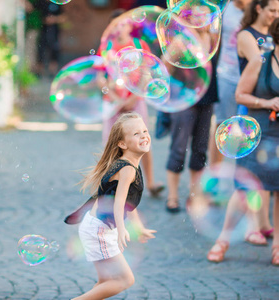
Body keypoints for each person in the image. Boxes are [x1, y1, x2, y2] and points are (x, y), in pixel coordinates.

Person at [207, 18, 279, 264]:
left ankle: (278, 246)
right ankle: (223, 240)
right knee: (243, 191)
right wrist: (267, 102)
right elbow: (241, 94)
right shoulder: (261, 61)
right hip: (257, 133)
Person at [65, 112, 156, 299]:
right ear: (122, 144)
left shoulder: (129, 164)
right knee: (125, 280)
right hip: (100, 230)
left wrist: (138, 227)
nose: (144, 136)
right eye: (136, 134)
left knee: (106, 283)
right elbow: (120, 202)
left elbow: (129, 204)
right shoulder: (127, 169)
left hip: (95, 226)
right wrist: (122, 229)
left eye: (144, 131)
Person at [101, 9, 165, 198]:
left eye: (122, 24)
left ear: (130, 25)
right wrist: (115, 97)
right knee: (110, 144)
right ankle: (112, 184)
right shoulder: (106, 47)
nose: (119, 29)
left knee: (142, 141)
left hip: (135, 101)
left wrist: (133, 97)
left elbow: (147, 74)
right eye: (115, 26)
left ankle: (151, 182)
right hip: (112, 103)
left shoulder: (139, 45)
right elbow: (100, 77)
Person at [164, 54, 219, 213]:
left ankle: (194, 194)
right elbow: (167, 62)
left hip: (207, 95)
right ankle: (172, 196)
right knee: (178, 148)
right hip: (183, 93)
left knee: (201, 149)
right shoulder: (180, 34)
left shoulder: (212, 34)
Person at [209, 0, 253, 167]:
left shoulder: (259, 8)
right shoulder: (224, 8)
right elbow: (214, 41)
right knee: (222, 125)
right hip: (226, 75)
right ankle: (214, 173)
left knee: (249, 129)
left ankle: (249, 174)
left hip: (250, 76)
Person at [25, 0, 66, 77]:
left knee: (54, 52)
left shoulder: (57, 4)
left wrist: (54, 19)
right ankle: (39, 72)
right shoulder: (41, 3)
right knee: (41, 51)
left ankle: (52, 72)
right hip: (43, 32)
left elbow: (63, 17)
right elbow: (30, 8)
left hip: (54, 32)